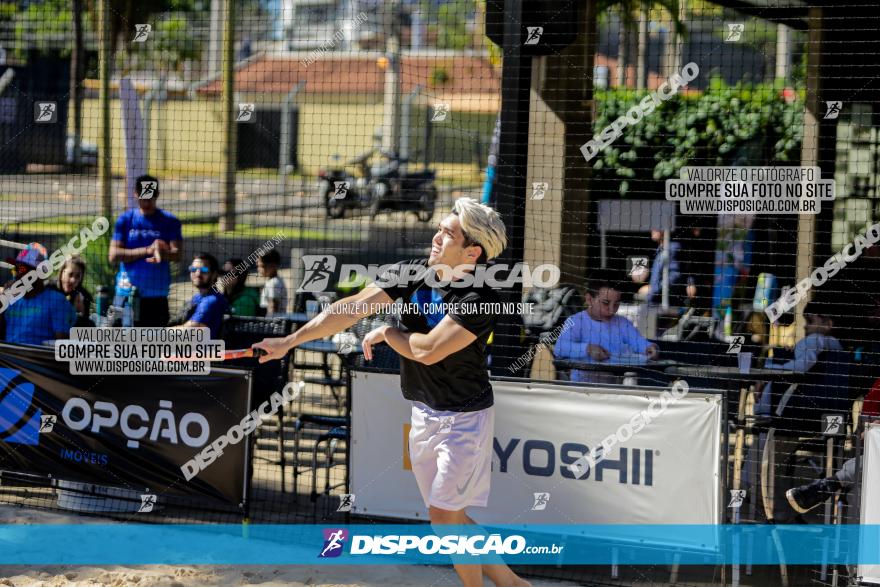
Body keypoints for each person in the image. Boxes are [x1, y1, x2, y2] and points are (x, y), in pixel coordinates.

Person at [255, 197, 531, 587]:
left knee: (442, 515)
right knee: (449, 517)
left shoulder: (481, 297)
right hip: (423, 412)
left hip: (464, 418)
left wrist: (387, 332)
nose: (436, 237)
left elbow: (429, 351)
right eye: (439, 228)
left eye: (447, 234)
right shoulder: (414, 272)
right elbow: (350, 308)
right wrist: (290, 341)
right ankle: (515, 585)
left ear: (472, 252)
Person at [554, 275, 659, 383]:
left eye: (616, 303)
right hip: (582, 386)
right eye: (605, 303)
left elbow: (637, 341)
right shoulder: (575, 321)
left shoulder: (622, 323)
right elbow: (559, 348)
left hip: (613, 387)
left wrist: (648, 347)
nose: (611, 310)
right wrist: (588, 349)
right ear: (589, 299)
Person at [108, 174, 182, 327]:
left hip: (156, 297)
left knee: (153, 348)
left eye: (150, 198)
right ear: (136, 194)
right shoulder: (125, 220)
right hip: (126, 294)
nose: (146, 202)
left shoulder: (170, 221)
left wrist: (162, 253)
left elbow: (178, 254)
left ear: (157, 195)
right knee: (121, 346)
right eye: (143, 197)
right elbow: (114, 255)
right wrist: (148, 250)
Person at [755, 302, 844, 415]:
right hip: (826, 408)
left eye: (810, 321)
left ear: (828, 324)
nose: (805, 326)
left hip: (792, 408)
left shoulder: (815, 339)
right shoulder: (836, 347)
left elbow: (803, 365)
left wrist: (767, 371)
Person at [0, 247, 75, 345]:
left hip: (37, 358)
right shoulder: (10, 299)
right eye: (16, 269)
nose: (17, 275)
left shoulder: (57, 301)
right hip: (9, 358)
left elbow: (62, 346)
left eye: (22, 269)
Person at [174, 253, 229, 339]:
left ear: (214, 274)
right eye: (193, 269)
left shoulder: (212, 300)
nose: (198, 273)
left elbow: (189, 328)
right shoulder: (197, 297)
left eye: (204, 269)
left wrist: (154, 334)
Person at [53, 255, 93, 327]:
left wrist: (81, 312)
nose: (73, 280)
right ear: (62, 272)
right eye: (70, 274)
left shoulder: (84, 296)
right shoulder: (49, 288)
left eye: (77, 276)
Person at [257, 249, 287, 316]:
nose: (259, 269)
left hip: (272, 323)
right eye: (258, 266)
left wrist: (269, 323)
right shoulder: (275, 281)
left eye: (262, 266)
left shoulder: (273, 283)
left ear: (273, 266)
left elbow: (272, 307)